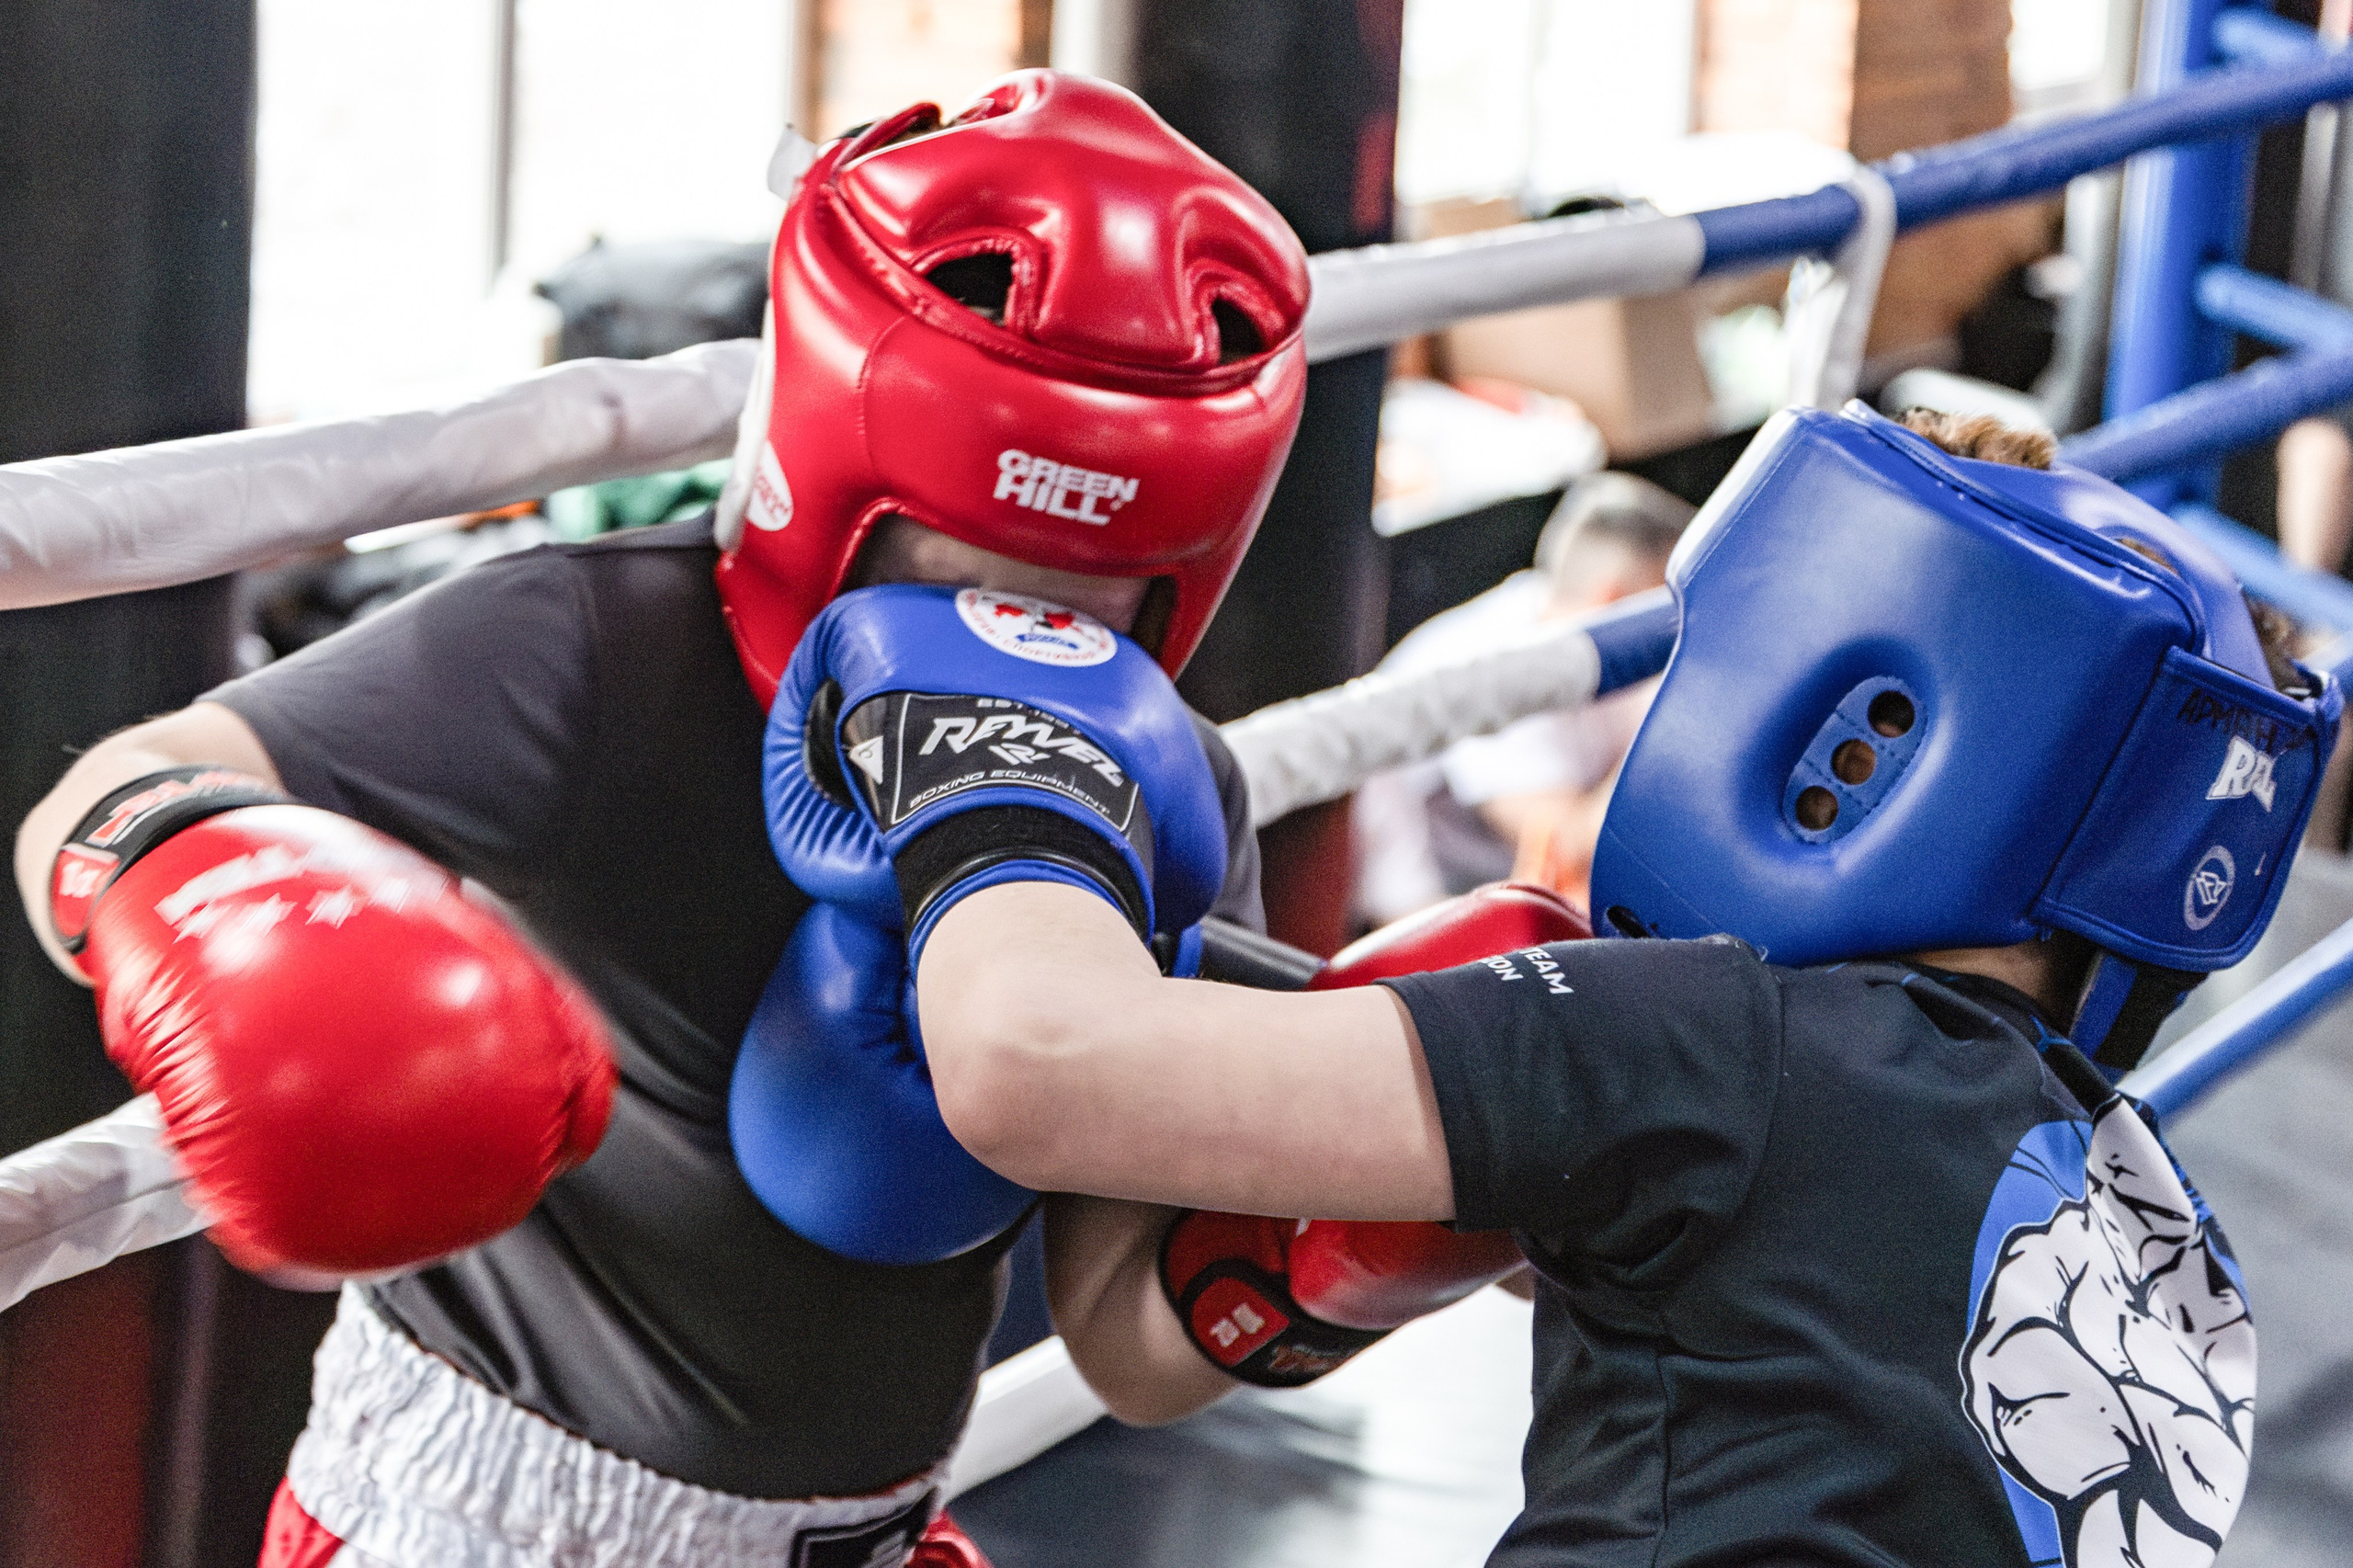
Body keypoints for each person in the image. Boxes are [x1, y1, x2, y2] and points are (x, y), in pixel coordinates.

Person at [13, 71, 1312, 1568]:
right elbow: (102, 795)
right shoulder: (594, 653)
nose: (1004, 651)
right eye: (956, 574)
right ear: (829, 479)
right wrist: (242, 907)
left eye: (1089, 603)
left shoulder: (1165, 796)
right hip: (483, 1532)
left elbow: (1126, 1336)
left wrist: (1344, 1255)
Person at [756, 403, 2338, 1568]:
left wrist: (1012, 764)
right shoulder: (2150, 1237)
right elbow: (1137, 1346)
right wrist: (1159, 913)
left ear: (1855, 733)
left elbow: (1033, 1055)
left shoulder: (1713, 1056)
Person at [1354, 472, 1693, 922]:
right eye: (1670, 612)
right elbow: (1563, 851)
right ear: (1614, 599)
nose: (1683, 632)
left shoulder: (1573, 626)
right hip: (1415, 915)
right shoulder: (1501, 664)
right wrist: (1675, 731)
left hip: (1494, 891)